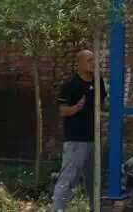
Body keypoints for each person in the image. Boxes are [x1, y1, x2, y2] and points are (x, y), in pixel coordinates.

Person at [52, 49, 107, 212]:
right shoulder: (71, 84)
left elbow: (102, 104)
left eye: (94, 60)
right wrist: (77, 107)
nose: (93, 63)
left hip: (94, 139)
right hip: (76, 140)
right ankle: (58, 209)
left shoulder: (98, 81)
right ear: (80, 63)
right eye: (89, 60)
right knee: (69, 177)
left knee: (94, 180)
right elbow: (63, 111)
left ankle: (96, 208)